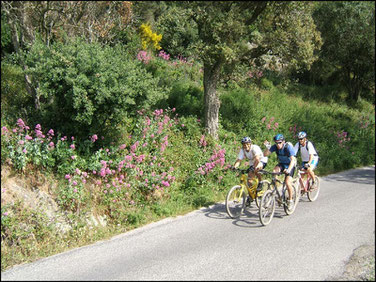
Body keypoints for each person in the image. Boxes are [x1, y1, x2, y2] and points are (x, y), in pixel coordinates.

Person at [263, 134, 296, 210]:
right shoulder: (275, 147)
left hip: (290, 165)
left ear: (283, 142)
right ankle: (276, 190)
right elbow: (265, 154)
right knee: (274, 171)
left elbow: (293, 160)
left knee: (288, 183)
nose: (278, 144)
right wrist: (268, 147)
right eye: (276, 142)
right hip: (282, 164)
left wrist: (288, 170)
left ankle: (290, 201)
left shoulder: (288, 147)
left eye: (280, 142)